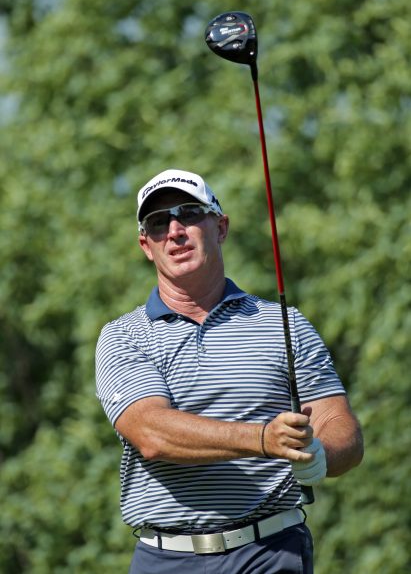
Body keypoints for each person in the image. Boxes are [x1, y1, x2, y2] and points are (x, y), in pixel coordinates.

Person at [96, 168, 364, 574]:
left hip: (271, 552)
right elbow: (151, 432)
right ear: (145, 245)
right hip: (166, 558)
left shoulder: (282, 323)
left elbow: (339, 425)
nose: (174, 230)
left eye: (188, 214)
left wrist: (321, 453)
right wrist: (263, 439)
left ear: (220, 226)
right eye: (157, 222)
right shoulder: (123, 336)